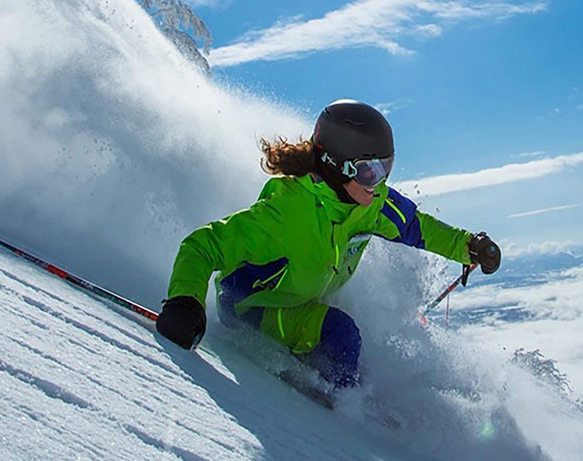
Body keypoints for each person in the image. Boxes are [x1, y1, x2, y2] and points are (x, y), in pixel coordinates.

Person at [157, 99, 501, 389]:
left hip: (303, 294)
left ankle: (338, 377)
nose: (378, 183)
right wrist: (186, 303)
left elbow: (415, 226)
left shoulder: (370, 202)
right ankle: (338, 407)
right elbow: (201, 246)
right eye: (370, 172)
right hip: (253, 308)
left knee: (349, 334)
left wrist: (467, 245)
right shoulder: (285, 215)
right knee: (340, 334)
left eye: (387, 167)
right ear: (338, 168)